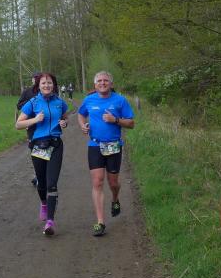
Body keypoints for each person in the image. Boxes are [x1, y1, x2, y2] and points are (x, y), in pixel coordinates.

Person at [77, 71, 135, 237]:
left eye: (106, 80)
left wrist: (115, 120)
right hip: (95, 145)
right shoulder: (89, 99)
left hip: (113, 146)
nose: (102, 83)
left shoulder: (120, 100)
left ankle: (115, 199)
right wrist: (83, 125)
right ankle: (100, 222)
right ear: (95, 85)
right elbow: (81, 114)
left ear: (111, 83)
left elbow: (131, 123)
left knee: (113, 183)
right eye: (99, 81)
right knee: (97, 182)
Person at [15, 72, 70, 236]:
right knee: (42, 182)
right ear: (38, 86)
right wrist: (35, 120)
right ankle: (44, 203)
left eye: (50, 83)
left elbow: (66, 117)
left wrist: (64, 123)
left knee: (52, 183)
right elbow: (18, 124)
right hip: (38, 145)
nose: (47, 85)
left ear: (54, 85)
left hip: (55, 144)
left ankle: (50, 222)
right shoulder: (32, 103)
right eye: (44, 83)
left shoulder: (60, 102)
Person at [16, 72, 41, 187]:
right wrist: (30, 102)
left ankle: (41, 174)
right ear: (32, 80)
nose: (36, 80)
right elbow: (19, 105)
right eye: (34, 78)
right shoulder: (27, 92)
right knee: (34, 148)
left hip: (44, 123)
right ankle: (38, 174)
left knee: (45, 147)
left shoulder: (44, 90)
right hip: (30, 123)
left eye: (38, 78)